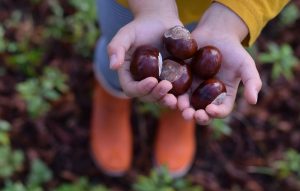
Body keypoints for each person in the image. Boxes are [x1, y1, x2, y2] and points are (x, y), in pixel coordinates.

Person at [91, 0, 289, 177]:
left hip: (211, 8)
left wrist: (230, 20)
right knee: (122, 51)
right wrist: (151, 6)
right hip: (132, 4)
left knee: (180, 74)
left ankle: (177, 113)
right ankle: (112, 100)